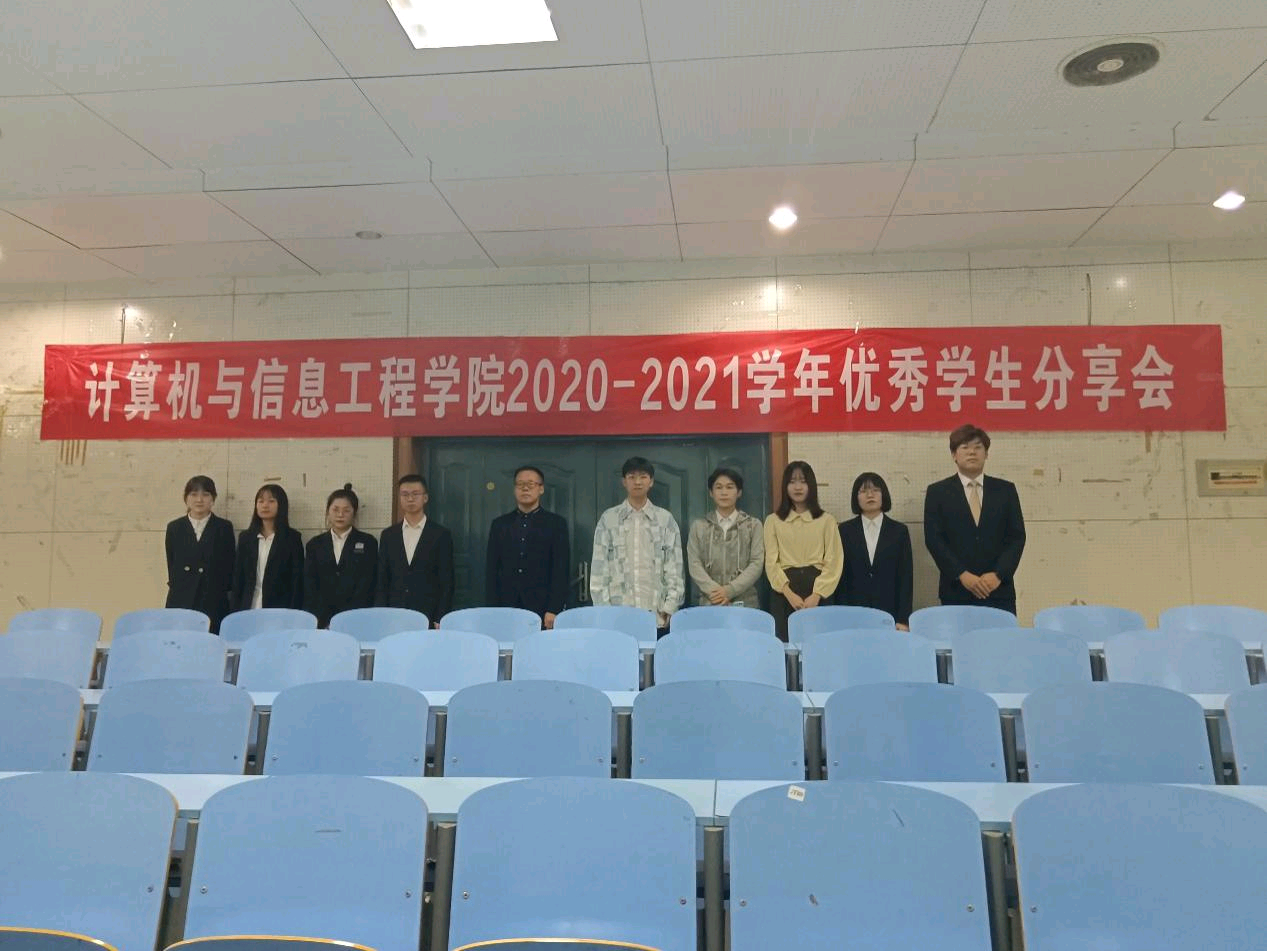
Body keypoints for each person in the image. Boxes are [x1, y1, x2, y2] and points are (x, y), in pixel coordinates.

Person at [923, 424, 1026, 615]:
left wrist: (998, 575)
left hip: (998, 590)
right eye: (965, 447)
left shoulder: (1005, 490)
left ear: (986, 454)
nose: (972, 452)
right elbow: (934, 540)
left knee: (1000, 635)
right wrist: (961, 574)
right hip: (956, 591)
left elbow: (1017, 537)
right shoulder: (938, 492)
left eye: (978, 447)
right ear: (954, 455)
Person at [590, 456, 684, 636]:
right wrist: (604, 612)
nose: (638, 482)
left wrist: (671, 606)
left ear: (651, 481)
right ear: (624, 482)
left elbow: (675, 566)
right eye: (632, 477)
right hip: (617, 617)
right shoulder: (608, 519)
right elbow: (599, 570)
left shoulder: (665, 520)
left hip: (657, 615)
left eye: (643, 477)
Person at [763, 461, 843, 641]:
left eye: (803, 481)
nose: (797, 487)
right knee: (785, 643)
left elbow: (834, 561)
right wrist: (788, 593)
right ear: (785, 486)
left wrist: (817, 595)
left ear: (811, 486)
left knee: (820, 644)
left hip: (819, 590)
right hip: (784, 592)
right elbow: (771, 563)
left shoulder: (827, 520)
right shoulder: (773, 521)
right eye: (792, 482)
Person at [485, 465, 569, 629]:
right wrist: (492, 609)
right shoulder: (500, 525)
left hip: (543, 606)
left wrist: (554, 608)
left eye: (531, 484)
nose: (525, 488)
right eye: (520, 484)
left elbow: (561, 569)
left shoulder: (556, 524)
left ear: (541, 489)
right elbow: (492, 569)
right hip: (506, 605)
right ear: (514, 489)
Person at [834, 472, 913, 630]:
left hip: (889, 613)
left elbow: (905, 577)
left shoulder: (899, 531)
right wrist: (842, 616)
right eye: (863, 491)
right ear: (856, 498)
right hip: (854, 613)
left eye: (875, 490)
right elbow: (841, 578)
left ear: (884, 495)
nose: (870, 495)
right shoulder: (844, 531)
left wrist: (903, 619)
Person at [376, 474, 454, 626]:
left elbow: (447, 580)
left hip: (428, 613)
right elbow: (382, 579)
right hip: (394, 612)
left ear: (425, 498)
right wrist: (381, 613)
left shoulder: (441, 534)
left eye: (415, 494)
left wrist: (440, 617)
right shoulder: (388, 535)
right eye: (405, 494)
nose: (410, 499)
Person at [164, 475, 236, 633]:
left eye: (205, 494)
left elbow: (229, 566)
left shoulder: (224, 527)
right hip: (181, 599)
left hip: (213, 599)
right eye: (194, 494)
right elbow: (172, 564)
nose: (199, 499)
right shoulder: (174, 528)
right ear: (186, 498)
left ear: (213, 499)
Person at [686, 467, 764, 609]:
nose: (724, 492)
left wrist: (730, 590)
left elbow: (756, 563)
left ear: (739, 492)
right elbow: (694, 564)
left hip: (745, 603)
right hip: (710, 602)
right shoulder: (699, 526)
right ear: (711, 492)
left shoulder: (753, 525)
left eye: (729, 487)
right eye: (719, 487)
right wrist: (716, 592)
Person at [303, 484, 379, 628]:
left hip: (356, 618)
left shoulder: (368, 542)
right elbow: (310, 585)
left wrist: (348, 618)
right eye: (335, 509)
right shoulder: (314, 544)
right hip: (322, 620)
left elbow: (367, 584)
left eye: (346, 510)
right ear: (328, 511)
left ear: (354, 513)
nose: (340, 515)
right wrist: (322, 619)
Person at [231, 483, 304, 611]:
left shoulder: (292, 539)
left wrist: (293, 613)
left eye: (271, 501)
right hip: (248, 608)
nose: (265, 505)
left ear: (281, 505)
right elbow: (238, 579)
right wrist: (234, 610)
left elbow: (296, 581)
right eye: (261, 501)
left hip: (279, 609)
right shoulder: (246, 538)